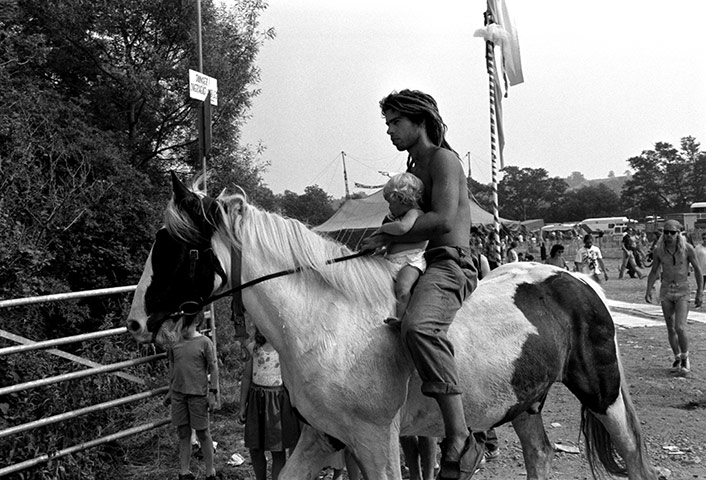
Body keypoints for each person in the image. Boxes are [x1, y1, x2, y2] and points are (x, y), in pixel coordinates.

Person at [361, 89, 484, 480]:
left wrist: (388, 235)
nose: (390, 131)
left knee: (419, 327)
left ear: (420, 122)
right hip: (427, 261)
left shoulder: (443, 160)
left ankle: (461, 436)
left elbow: (445, 220)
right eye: (388, 124)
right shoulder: (415, 165)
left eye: (396, 122)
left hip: (452, 263)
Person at [164, 312, 220, 480]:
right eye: (180, 321)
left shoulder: (205, 343)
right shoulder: (175, 344)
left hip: (198, 395)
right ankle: (184, 472)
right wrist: (170, 389)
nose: (181, 325)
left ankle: (210, 471)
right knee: (183, 432)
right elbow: (173, 367)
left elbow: (214, 368)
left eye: (185, 321)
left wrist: (213, 392)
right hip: (179, 395)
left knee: (203, 432)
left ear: (196, 321)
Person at [239, 328, 301, 480]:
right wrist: (242, 406)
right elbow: (247, 378)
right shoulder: (253, 347)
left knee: (277, 449)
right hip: (256, 401)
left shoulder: (284, 349)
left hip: (277, 404)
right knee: (255, 448)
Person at [645, 220, 703, 374]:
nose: (669, 235)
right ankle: (677, 357)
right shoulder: (659, 250)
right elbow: (654, 271)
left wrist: (699, 292)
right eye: (666, 232)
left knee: (680, 326)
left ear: (679, 233)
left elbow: (697, 270)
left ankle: (685, 357)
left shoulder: (687, 249)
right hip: (666, 291)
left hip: (683, 290)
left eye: (672, 232)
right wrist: (648, 289)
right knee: (670, 328)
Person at [376, 172, 428, 325]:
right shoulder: (397, 217)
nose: (389, 207)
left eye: (390, 203)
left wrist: (382, 229)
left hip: (410, 260)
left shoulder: (414, 213)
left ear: (401, 199)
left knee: (403, 288)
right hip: (392, 259)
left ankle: (401, 318)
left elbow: (402, 228)